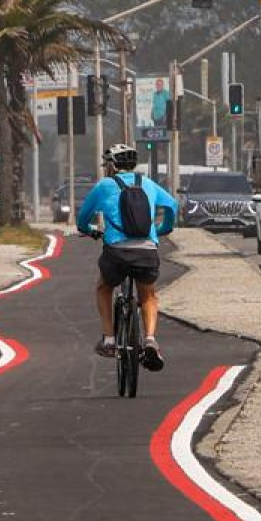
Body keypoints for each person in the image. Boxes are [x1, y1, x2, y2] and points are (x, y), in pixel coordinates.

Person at [76, 142, 178, 370]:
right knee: (148, 295)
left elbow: (82, 219)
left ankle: (110, 339)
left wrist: (90, 230)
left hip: (117, 252)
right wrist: (162, 229)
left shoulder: (104, 186)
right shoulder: (148, 184)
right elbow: (171, 205)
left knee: (104, 287)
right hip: (147, 250)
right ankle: (150, 340)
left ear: (112, 165)